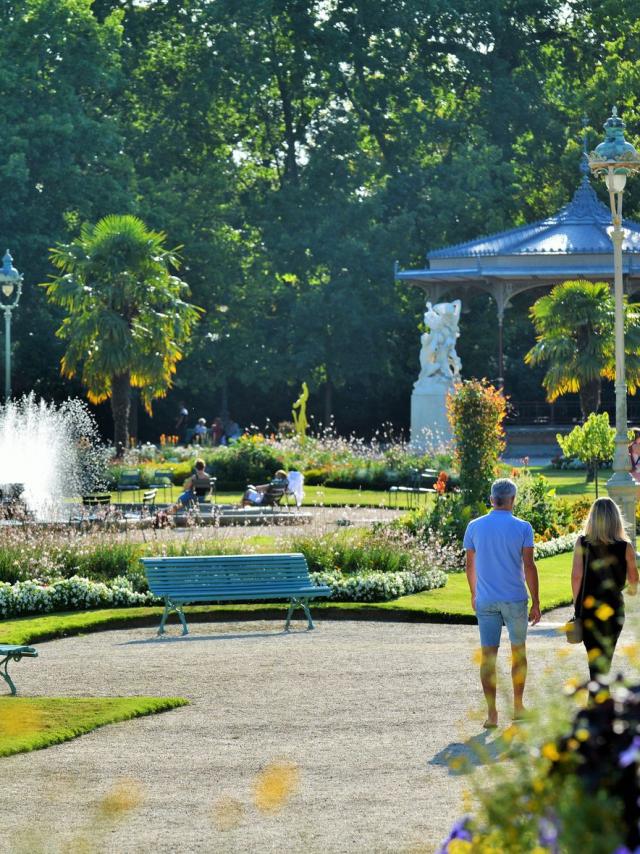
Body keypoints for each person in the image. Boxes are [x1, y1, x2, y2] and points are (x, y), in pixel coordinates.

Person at [463, 478, 541, 729]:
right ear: (513, 500)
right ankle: (518, 707)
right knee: (519, 653)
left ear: (491, 499)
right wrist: (536, 601)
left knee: (488, 657)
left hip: (486, 600)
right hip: (515, 599)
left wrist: (474, 593)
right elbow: (529, 566)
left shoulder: (474, 526)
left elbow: (469, 565)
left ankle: (492, 714)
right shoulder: (523, 527)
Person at [571, 497, 638, 681]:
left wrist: (576, 605)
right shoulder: (626, 547)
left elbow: (577, 577)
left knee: (594, 659)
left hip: (588, 608)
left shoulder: (582, 543)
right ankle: (600, 700)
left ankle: (597, 700)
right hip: (614, 608)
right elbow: (633, 580)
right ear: (615, 519)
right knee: (604, 660)